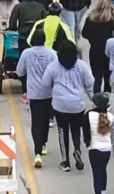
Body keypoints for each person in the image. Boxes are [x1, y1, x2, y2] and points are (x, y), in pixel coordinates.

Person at [40, 41, 94, 173]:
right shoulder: (82, 66)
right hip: (77, 104)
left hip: (60, 104)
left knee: (62, 130)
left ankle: (65, 161)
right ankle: (77, 149)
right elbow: (90, 82)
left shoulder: (53, 66)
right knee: (76, 129)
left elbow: (45, 83)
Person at [17, 30, 57, 168]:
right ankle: (44, 143)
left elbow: (19, 71)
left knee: (36, 120)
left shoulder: (27, 53)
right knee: (46, 119)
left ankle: (37, 152)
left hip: (33, 93)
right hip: (48, 92)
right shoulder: (51, 53)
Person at [86, 93, 114, 194]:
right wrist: (112, 142)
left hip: (94, 149)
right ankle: (103, 190)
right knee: (103, 169)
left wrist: (87, 143)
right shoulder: (110, 116)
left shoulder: (88, 115)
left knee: (96, 173)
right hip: (107, 149)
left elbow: (84, 133)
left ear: (95, 104)